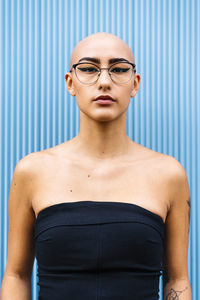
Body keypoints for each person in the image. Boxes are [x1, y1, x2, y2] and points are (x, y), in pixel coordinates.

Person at [0, 32, 191, 300]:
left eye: (119, 69)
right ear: (70, 82)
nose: (104, 81)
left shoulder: (168, 174)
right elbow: (16, 275)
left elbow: (177, 279)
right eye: (89, 69)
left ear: (135, 84)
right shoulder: (32, 171)